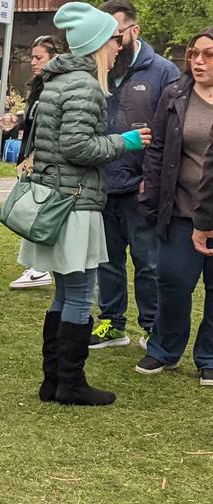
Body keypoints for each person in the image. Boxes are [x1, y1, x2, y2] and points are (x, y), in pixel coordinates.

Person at [19, 2, 151, 407]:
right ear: (97, 44)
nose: (118, 46)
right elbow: (77, 146)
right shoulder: (84, 86)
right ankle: (70, 383)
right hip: (75, 203)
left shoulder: (59, 82)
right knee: (79, 293)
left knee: (63, 293)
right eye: (113, 39)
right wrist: (125, 141)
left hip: (60, 200)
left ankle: (54, 380)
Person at [89, 0, 181, 351]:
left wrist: (153, 179)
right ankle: (112, 324)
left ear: (133, 31)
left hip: (142, 188)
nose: (111, 40)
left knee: (148, 263)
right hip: (102, 183)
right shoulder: (97, 66)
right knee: (106, 261)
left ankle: (153, 327)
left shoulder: (162, 71)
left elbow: (173, 132)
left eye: (115, 33)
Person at [137, 27, 213, 386]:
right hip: (181, 211)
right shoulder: (176, 93)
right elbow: (157, 151)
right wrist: (150, 197)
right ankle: (165, 348)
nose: (198, 61)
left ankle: (209, 356)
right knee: (172, 283)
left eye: (208, 55)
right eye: (194, 54)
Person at [7, 36, 63, 290]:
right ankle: (38, 265)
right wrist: (18, 118)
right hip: (32, 156)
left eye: (38, 57)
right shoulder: (39, 86)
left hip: (47, 160)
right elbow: (35, 116)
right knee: (31, 209)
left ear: (55, 57)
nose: (33, 62)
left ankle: (41, 268)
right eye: (32, 57)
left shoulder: (60, 86)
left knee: (38, 210)